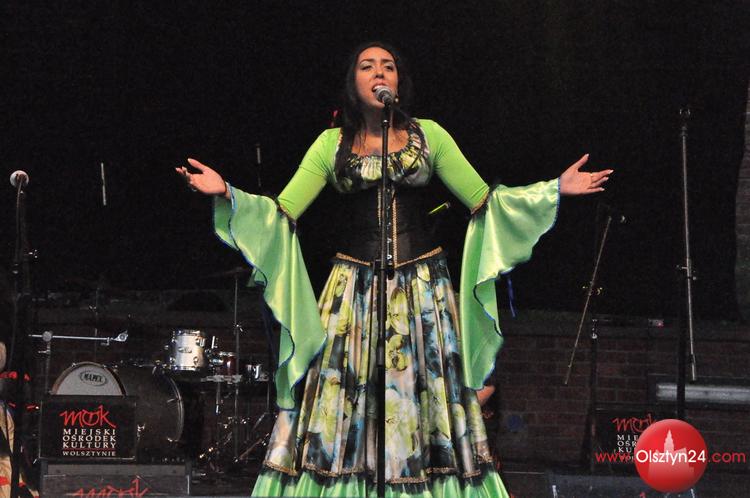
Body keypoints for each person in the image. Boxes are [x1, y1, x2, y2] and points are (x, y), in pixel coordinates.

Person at [177, 41, 612, 497]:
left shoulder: (431, 136)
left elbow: (483, 200)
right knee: (345, 398)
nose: (379, 72)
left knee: (424, 401)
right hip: (354, 292)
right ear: (354, 84)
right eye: (367, 66)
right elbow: (283, 211)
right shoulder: (330, 144)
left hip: (422, 292)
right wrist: (227, 193)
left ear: (398, 83)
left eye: (388, 66)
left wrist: (552, 190)